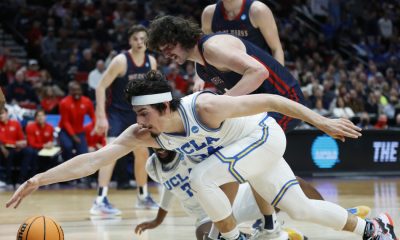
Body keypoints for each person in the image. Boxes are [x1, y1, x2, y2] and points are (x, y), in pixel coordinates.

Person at [7, 71, 396, 240]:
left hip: (264, 137)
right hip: (245, 156)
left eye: (144, 114)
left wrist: (323, 121)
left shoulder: (204, 106)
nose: (139, 123)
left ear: (164, 107)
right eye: (137, 116)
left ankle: (232, 238)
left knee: (203, 177)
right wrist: (39, 179)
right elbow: (92, 160)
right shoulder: (146, 133)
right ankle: (375, 229)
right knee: (301, 210)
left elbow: (273, 99)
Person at [147, 15, 371, 233]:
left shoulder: (212, 48)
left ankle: (269, 225)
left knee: (249, 163)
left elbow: (259, 72)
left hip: (282, 100)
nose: (166, 54)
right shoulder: (201, 66)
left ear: (181, 37)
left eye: (168, 46)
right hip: (260, 109)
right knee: (270, 178)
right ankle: (316, 217)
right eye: (161, 50)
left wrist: (224, 103)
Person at [135, 148, 306, 240]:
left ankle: (272, 226)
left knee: (293, 184)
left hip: (235, 198)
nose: (158, 148)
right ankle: (280, 235)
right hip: (206, 216)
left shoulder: (189, 150)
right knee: (205, 237)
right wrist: (157, 220)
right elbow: (169, 188)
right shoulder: (152, 166)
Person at [90, 25, 158, 215]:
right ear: (130, 41)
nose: (139, 42)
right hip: (117, 113)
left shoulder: (151, 62)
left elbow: (151, 91)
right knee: (110, 154)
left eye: (143, 39)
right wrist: (101, 116)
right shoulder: (121, 61)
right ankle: (100, 200)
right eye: (135, 39)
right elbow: (101, 87)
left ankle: (143, 197)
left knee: (142, 154)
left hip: (137, 114)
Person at [58, 81, 94, 163]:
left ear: (81, 91)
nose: (76, 92)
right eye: (74, 90)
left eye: (78, 90)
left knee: (83, 153)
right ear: (70, 91)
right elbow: (65, 121)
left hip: (80, 131)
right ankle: (65, 164)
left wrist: (96, 126)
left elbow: (93, 115)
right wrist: (74, 136)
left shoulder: (87, 101)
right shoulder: (64, 102)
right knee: (68, 146)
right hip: (65, 131)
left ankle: (82, 174)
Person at [0, 108, 35, 185]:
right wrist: (15, 143)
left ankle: (22, 179)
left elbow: (22, 139)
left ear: (7, 114)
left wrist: (20, 145)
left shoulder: (15, 123)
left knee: (29, 151)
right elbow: (1, 140)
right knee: (9, 153)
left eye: (2, 113)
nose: (0, 116)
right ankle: (8, 180)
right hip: (5, 149)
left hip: (17, 149)